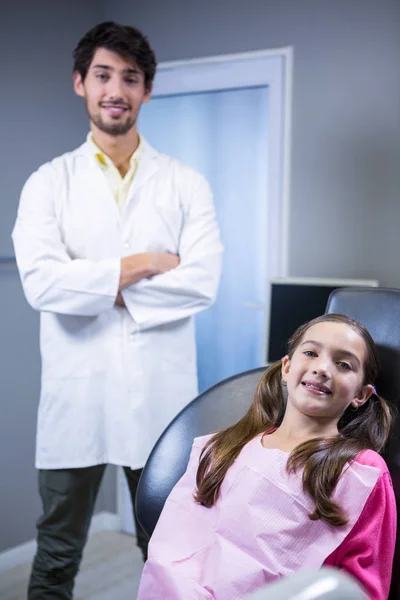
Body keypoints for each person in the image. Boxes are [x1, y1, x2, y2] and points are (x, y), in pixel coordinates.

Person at [12, 21, 223, 600]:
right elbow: (41, 285)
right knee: (56, 555)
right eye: (103, 75)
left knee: (167, 551)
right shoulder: (47, 184)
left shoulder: (185, 183)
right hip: (75, 401)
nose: (116, 89)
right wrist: (144, 263)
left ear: (147, 91)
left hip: (160, 399)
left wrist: (93, 280)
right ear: (80, 83)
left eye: (130, 78)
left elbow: (202, 282)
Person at [137, 313, 396, 600]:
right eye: (310, 353)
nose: (322, 368)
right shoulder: (226, 447)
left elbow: (359, 589)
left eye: (343, 364)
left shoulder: (360, 473)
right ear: (286, 368)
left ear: (361, 394)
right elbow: (173, 549)